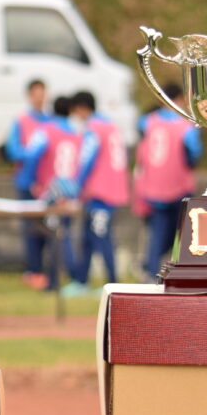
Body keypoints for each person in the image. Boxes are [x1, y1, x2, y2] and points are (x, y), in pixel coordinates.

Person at [133, 84, 202, 279]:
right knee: (181, 235)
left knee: (157, 233)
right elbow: (194, 153)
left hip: (153, 188)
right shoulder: (185, 124)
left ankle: (150, 271)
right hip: (179, 186)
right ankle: (176, 273)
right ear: (179, 99)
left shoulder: (147, 121)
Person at [20, 96, 85, 292]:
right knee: (63, 234)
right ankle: (67, 277)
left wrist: (31, 180)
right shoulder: (78, 133)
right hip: (70, 191)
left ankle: (55, 280)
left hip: (50, 191)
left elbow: (31, 154)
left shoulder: (46, 130)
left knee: (50, 235)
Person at [70, 91, 129, 288]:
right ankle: (81, 281)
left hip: (101, 193)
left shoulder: (94, 128)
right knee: (88, 237)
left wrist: (76, 184)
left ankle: (113, 282)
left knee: (101, 237)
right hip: (112, 189)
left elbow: (87, 158)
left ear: (81, 108)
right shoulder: (111, 126)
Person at [5, 79, 52, 290]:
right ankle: (33, 270)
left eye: (42, 92)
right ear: (30, 95)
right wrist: (32, 152)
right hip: (26, 183)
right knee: (30, 230)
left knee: (48, 230)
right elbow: (12, 150)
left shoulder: (51, 122)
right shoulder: (21, 121)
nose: (39, 97)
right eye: (36, 93)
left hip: (48, 186)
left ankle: (48, 272)